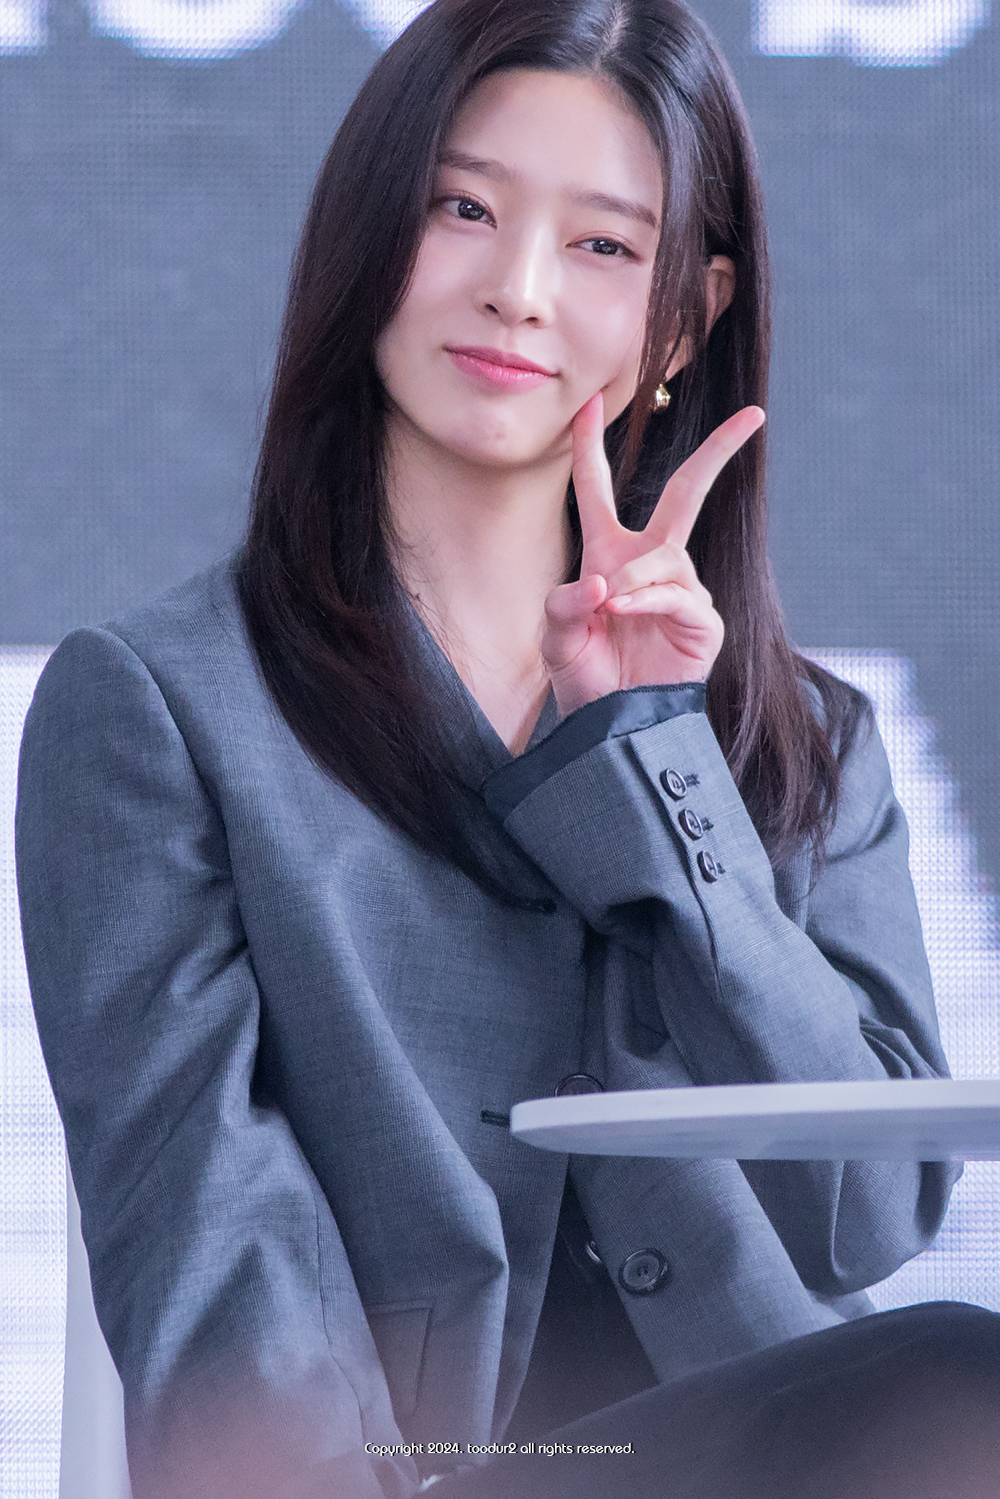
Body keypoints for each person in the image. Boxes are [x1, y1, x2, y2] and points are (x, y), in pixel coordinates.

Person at [15, 1, 1000, 1495]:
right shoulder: (161, 709)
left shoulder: (804, 738)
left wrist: (650, 752)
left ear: (686, 317)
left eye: (602, 244)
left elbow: (870, 1211)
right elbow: (210, 1247)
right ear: (365, 236)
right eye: (462, 209)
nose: (518, 290)